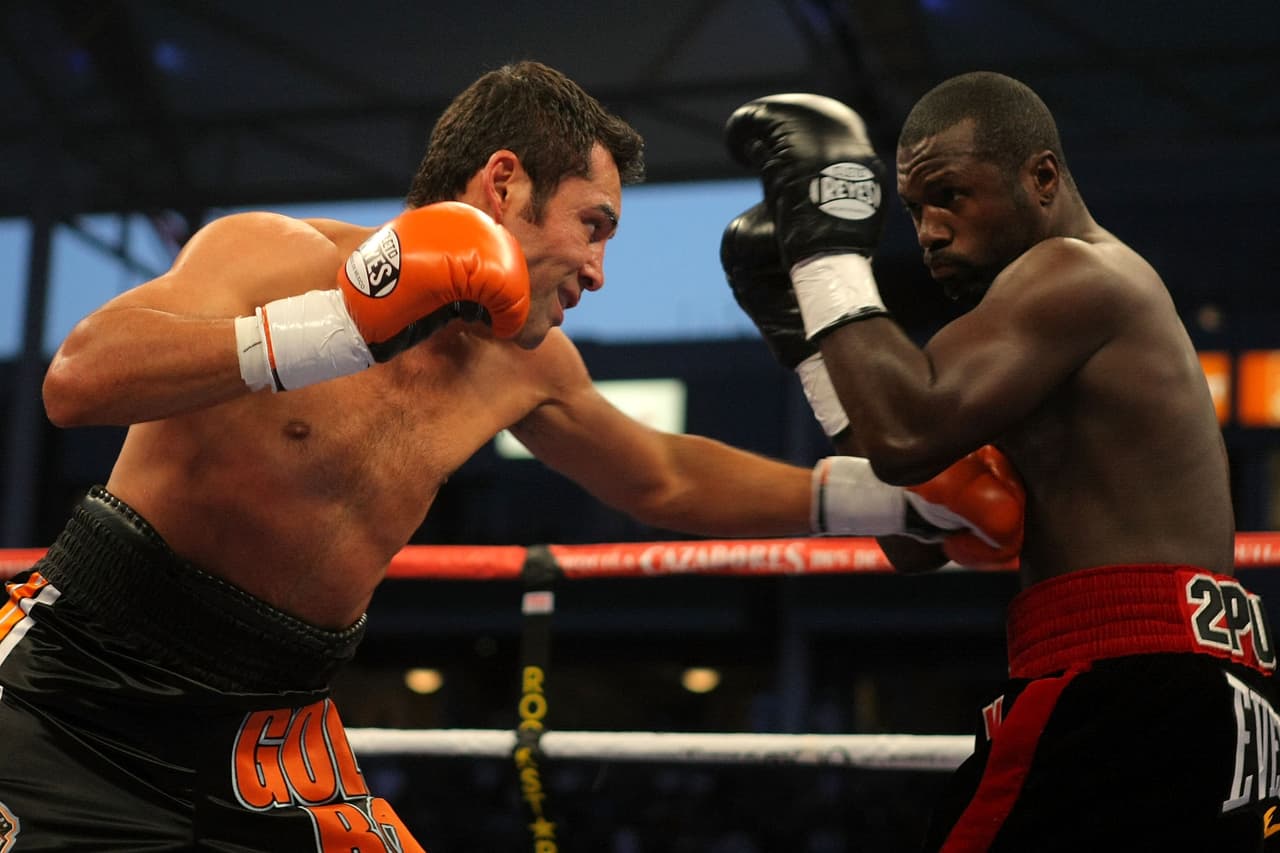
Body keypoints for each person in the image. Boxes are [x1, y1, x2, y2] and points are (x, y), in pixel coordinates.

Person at [0, 61, 1023, 851]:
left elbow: (661, 475)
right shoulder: (272, 256)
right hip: (78, 691)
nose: (597, 268)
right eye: (592, 225)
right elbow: (77, 380)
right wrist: (342, 325)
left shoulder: (524, 365)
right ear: (503, 183)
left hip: (269, 735)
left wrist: (889, 502)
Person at [724, 72, 1278, 850]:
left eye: (950, 195)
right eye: (915, 210)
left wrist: (824, 253)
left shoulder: (1075, 275)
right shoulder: (1034, 343)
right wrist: (807, 345)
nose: (929, 232)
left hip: (1122, 680)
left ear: (1041, 177)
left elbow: (907, 429)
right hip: (1201, 688)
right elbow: (912, 531)